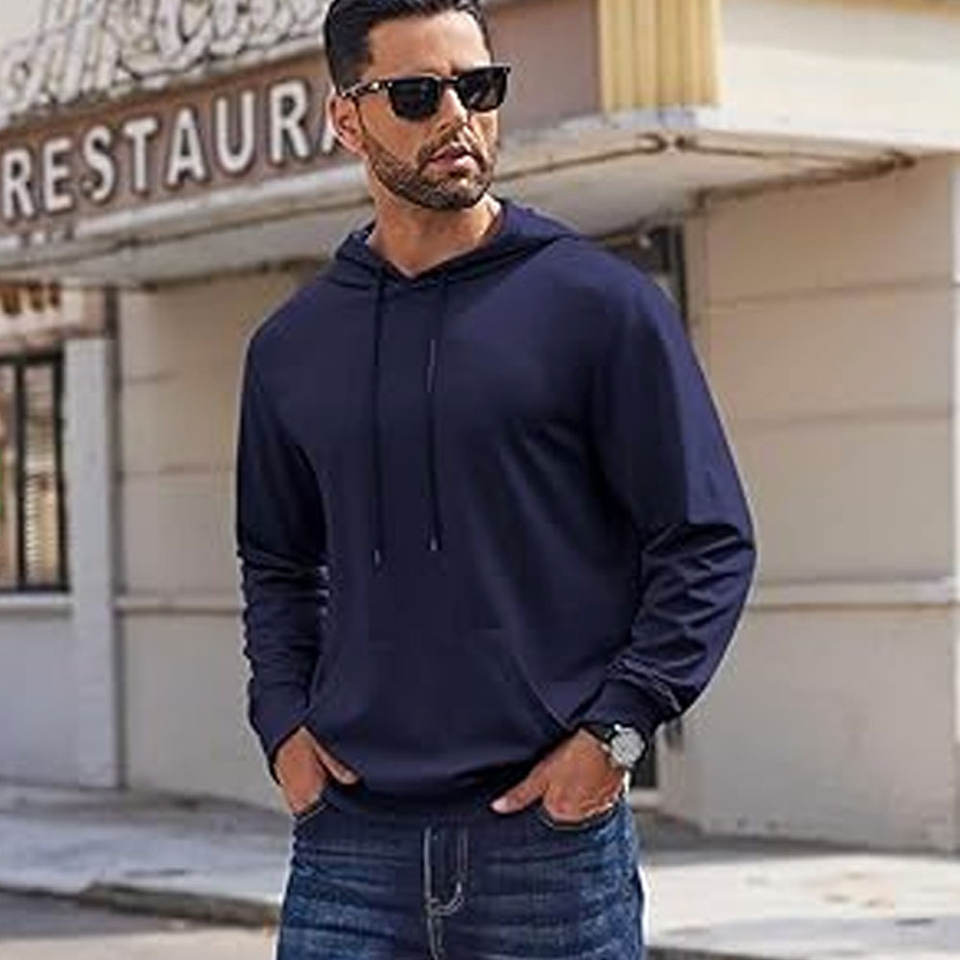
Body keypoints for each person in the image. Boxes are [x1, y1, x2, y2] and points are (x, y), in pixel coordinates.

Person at [234, 0, 757, 956]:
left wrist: (617, 734)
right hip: (349, 850)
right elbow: (277, 563)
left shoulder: (598, 306)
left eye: (477, 89)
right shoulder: (291, 347)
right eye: (417, 96)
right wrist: (282, 728)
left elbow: (707, 540)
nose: (457, 119)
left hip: (550, 845)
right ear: (346, 118)